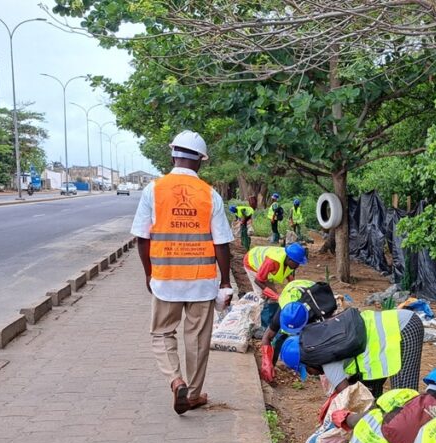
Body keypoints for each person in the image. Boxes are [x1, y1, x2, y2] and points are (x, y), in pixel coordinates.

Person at [131, 130, 233, 415]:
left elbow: (142, 238)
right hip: (202, 282)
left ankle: (176, 382)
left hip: (165, 279)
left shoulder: (154, 189)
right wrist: (225, 283)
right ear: (200, 161)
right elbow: (222, 243)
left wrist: (148, 273)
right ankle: (194, 394)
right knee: (198, 339)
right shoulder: (210, 194)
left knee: (162, 333)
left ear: (173, 153)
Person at [308, 307, 424, 399]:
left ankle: (409, 426)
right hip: (391, 331)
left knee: (403, 396)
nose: (312, 375)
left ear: (308, 361)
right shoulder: (325, 344)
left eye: (308, 371)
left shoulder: (328, 363)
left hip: (404, 327)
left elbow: (349, 397)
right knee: (372, 392)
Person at [243, 243, 308, 300]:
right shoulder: (272, 262)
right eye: (297, 263)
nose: (297, 266)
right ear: (289, 259)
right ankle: (257, 310)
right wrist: (276, 296)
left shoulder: (289, 260)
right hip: (251, 262)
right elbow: (258, 281)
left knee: (272, 293)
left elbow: (289, 275)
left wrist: (294, 288)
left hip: (265, 265)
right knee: (261, 295)